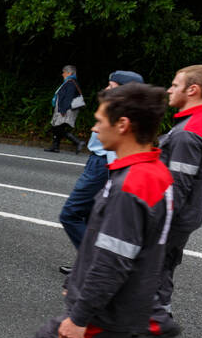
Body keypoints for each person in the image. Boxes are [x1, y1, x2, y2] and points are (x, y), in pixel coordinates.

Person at [2, 83, 173, 338]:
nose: (93, 128)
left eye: (99, 121)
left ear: (124, 124)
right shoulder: (152, 173)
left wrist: (80, 315)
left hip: (105, 312)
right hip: (126, 310)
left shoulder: (133, 183)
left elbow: (113, 261)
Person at [131, 65, 202, 338]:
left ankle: (158, 325)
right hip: (190, 212)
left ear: (192, 90)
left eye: (174, 85)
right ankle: (159, 322)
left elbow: (178, 184)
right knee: (163, 265)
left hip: (175, 213)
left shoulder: (188, 132)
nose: (169, 90)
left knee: (147, 265)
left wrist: (158, 218)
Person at [56, 70, 142, 274]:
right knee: (90, 216)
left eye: (111, 86)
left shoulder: (123, 113)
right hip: (99, 162)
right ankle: (89, 262)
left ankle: (93, 262)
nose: (106, 89)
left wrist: (114, 172)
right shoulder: (118, 107)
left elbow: (120, 147)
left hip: (103, 165)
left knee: (71, 214)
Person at [46, 65, 86, 153]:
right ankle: (55, 146)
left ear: (69, 73)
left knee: (58, 128)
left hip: (66, 109)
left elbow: (68, 97)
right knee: (56, 127)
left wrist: (63, 110)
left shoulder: (70, 83)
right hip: (63, 108)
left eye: (64, 72)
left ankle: (78, 142)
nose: (62, 74)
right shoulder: (68, 82)